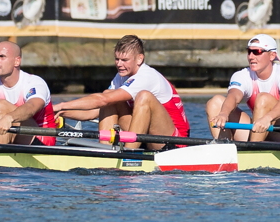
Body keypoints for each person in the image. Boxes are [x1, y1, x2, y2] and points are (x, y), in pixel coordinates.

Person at [50, 34, 191, 142]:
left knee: (143, 96)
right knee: (110, 95)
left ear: (139, 59)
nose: (119, 64)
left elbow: (102, 100)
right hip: (148, 135)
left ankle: (129, 154)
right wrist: (61, 112)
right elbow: (95, 111)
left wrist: (62, 104)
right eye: (117, 59)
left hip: (174, 140)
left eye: (124, 60)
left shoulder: (146, 76)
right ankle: (105, 150)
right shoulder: (121, 76)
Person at [205, 33, 280, 142]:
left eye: (257, 52)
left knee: (264, 98)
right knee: (215, 102)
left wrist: (267, 118)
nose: (251, 56)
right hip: (261, 129)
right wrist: (223, 113)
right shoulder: (242, 75)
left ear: (272, 55)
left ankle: (254, 147)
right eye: (249, 51)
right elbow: (234, 97)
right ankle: (224, 147)